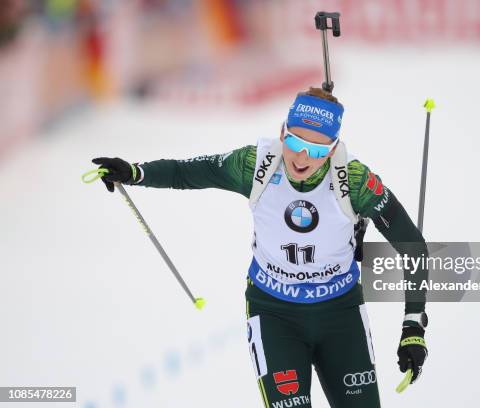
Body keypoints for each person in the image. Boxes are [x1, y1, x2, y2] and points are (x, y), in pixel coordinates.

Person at [92, 87, 429, 408]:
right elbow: (188, 172)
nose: (301, 157)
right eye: (295, 141)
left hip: (340, 313)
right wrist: (136, 173)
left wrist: (413, 326)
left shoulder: (354, 181)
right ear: (282, 132)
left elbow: (412, 247)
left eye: (315, 150)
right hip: (274, 314)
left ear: (331, 149)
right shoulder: (256, 166)